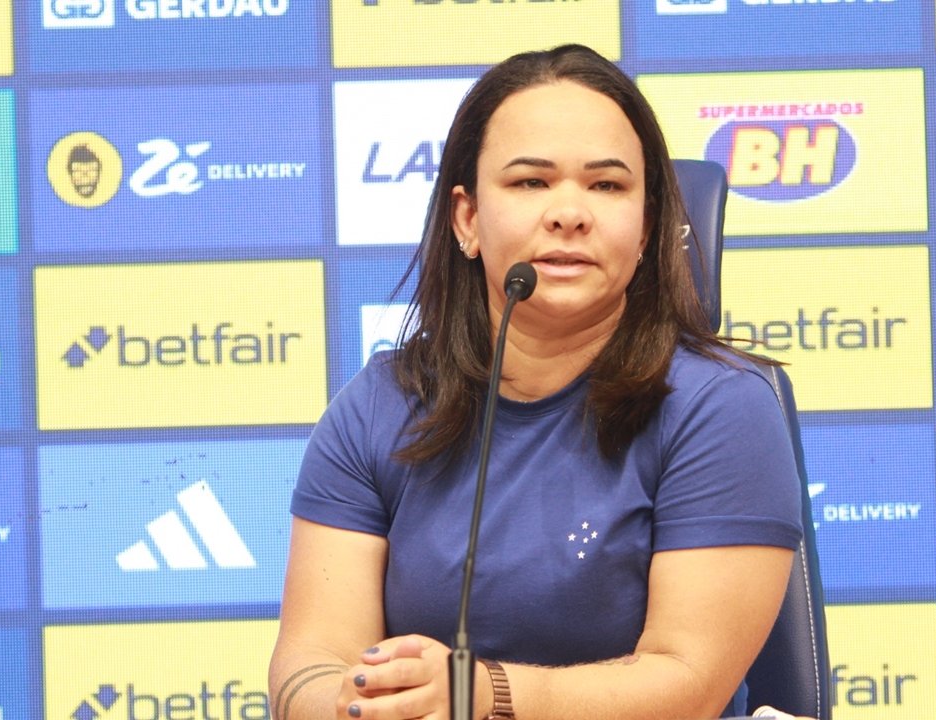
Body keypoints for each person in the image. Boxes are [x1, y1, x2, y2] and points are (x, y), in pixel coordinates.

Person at [269, 44, 805, 720]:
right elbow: (310, 661)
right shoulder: (379, 405)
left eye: (606, 186)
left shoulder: (720, 407)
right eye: (530, 182)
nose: (569, 213)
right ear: (467, 219)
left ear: (646, 228)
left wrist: (481, 694)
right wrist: (349, 703)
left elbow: (689, 685)